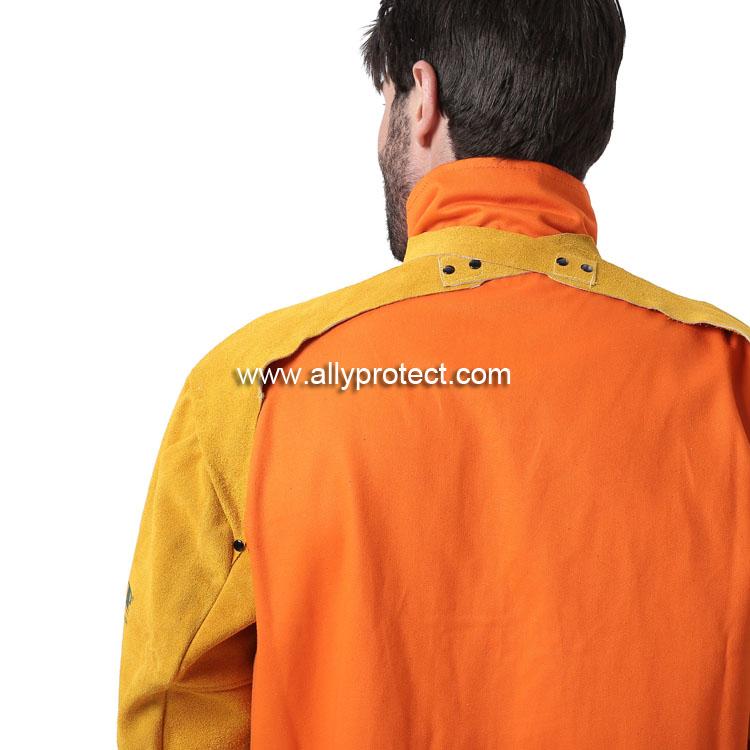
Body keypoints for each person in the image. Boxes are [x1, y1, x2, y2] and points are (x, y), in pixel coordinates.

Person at [118, 1, 750, 747]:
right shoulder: (735, 377)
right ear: (593, 122)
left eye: (386, 99)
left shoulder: (257, 383)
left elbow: (174, 705)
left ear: (422, 98)